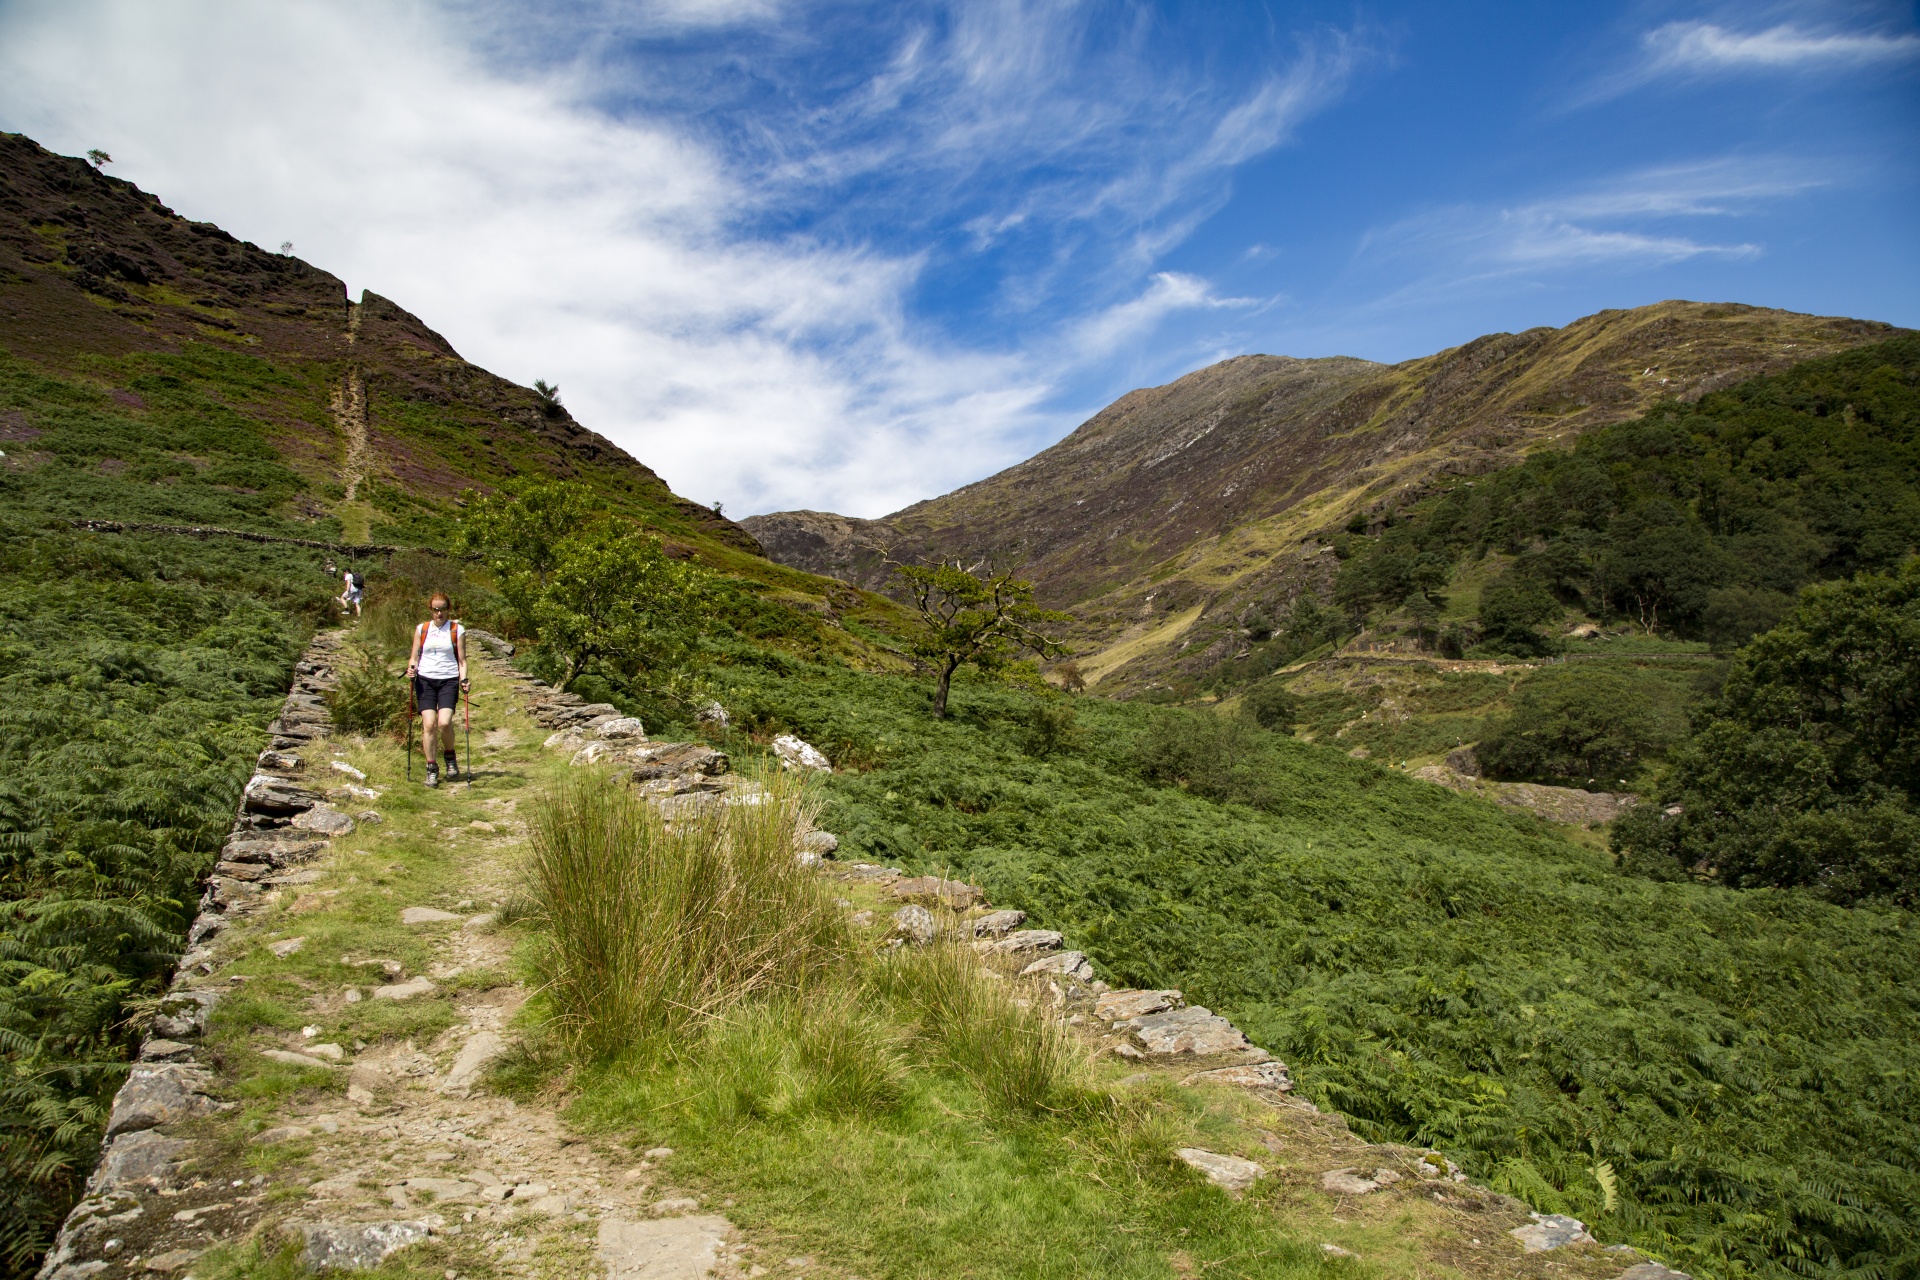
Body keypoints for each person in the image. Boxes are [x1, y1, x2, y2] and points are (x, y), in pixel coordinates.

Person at [405, 593, 469, 787]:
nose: (439, 613)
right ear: (430, 609)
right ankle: (431, 768)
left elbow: (462, 660)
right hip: (425, 681)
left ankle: (450, 757)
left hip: (448, 680)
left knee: (444, 722)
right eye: (435, 609)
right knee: (429, 724)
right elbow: (414, 656)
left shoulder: (457, 630)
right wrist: (411, 669)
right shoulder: (422, 629)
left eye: (442, 609)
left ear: (448, 609)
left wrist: (464, 679)